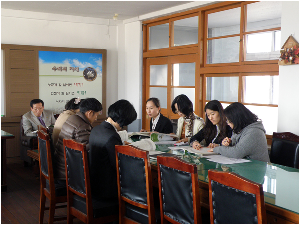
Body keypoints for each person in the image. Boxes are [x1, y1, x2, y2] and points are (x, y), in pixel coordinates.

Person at [89, 99, 137, 201]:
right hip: (108, 189)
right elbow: (119, 166)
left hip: (94, 183)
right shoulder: (112, 136)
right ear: (122, 121)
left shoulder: (96, 129)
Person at [54, 98, 102, 181]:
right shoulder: (82, 126)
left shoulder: (72, 118)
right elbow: (87, 152)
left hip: (60, 166)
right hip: (69, 173)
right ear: (90, 113)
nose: (96, 119)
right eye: (96, 115)